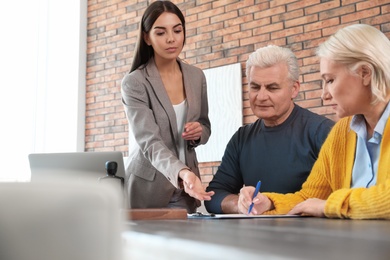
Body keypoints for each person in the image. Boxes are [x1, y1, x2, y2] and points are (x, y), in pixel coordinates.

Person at [238, 24, 390, 219]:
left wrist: (329, 206)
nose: (324, 95)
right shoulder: (341, 132)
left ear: (365, 73)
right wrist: (267, 202)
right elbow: (310, 198)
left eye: (330, 80)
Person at [205, 45, 334, 214]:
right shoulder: (242, 138)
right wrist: (241, 204)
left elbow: (339, 196)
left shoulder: (323, 132)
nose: (261, 96)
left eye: (272, 88)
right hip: (258, 236)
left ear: (294, 89)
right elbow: (213, 196)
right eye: (255, 87)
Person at [121, 0, 214, 213]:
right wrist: (183, 172)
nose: (171, 39)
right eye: (161, 33)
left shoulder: (196, 76)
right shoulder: (135, 82)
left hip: (185, 189)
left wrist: (199, 132)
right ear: (147, 37)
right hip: (148, 189)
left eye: (177, 30)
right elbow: (150, 142)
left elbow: (206, 126)